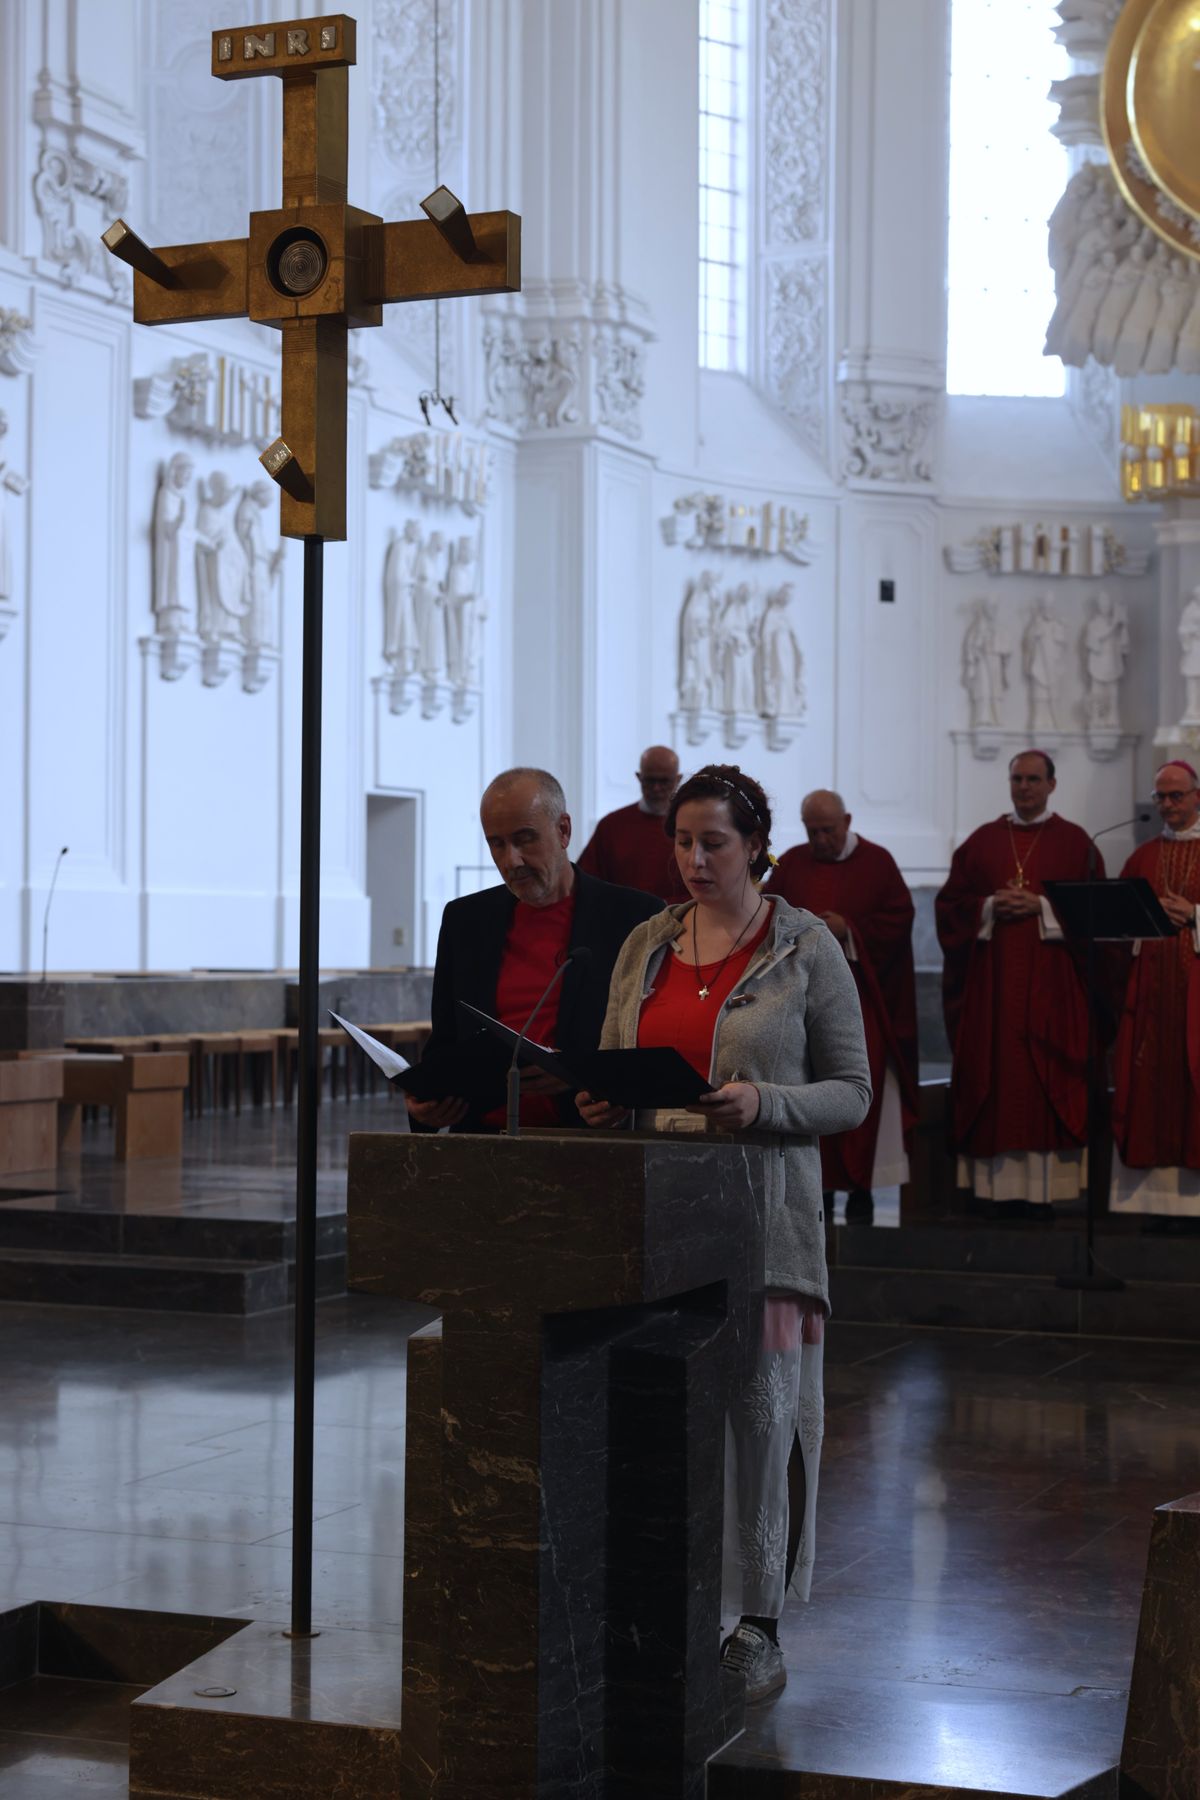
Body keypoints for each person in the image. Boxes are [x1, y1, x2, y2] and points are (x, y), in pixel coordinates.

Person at [578, 763, 871, 1702]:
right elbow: (624, 1061)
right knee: (663, 1422)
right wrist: (601, 1100)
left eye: (713, 843)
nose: (694, 861)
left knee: (763, 1422)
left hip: (765, 1228)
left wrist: (767, 1101)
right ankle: (668, 1603)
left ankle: (760, 1624)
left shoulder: (804, 945)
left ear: (757, 847)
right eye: (681, 842)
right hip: (656, 1223)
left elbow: (854, 1093)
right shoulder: (646, 945)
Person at [407, 767, 661, 1133]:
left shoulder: (634, 917)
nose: (511, 860)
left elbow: (649, 1044)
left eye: (525, 839)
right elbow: (446, 1041)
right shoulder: (465, 920)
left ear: (563, 831)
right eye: (497, 843)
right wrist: (424, 1101)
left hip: (588, 1142)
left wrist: (574, 1069)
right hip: (483, 1140)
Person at [936, 750, 1097, 1210]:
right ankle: (994, 1193)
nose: (1024, 787)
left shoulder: (1076, 843)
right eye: (1017, 779)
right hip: (993, 991)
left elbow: (1097, 915)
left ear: (1051, 784)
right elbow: (950, 907)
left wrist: (1042, 908)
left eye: (1033, 779)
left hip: (1053, 991)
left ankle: (1048, 1194)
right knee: (996, 1071)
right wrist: (988, 906)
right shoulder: (983, 842)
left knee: (1043, 1078)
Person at [766, 789, 917, 1221]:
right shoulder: (791, 863)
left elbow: (898, 921)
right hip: (800, 1006)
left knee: (851, 1088)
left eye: (828, 830)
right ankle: (821, 1194)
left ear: (847, 822)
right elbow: (766, 916)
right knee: (809, 1088)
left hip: (863, 1004)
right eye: (812, 830)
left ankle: (862, 1194)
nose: (820, 839)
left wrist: (847, 930)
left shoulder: (878, 863)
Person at [1110, 760, 1200, 1215]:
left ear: (1197, 796)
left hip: (1195, 1003)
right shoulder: (1141, 858)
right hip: (1149, 1002)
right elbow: (1116, 925)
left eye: (1176, 796)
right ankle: (1154, 1208)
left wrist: (1196, 916)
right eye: (1160, 797)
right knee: (1148, 1090)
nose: (1166, 805)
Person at [577, 746, 689, 902]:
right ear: (639, 777)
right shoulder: (611, 826)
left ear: (678, 779)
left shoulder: (691, 827)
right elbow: (586, 882)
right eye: (650, 780)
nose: (657, 788)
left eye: (664, 781)